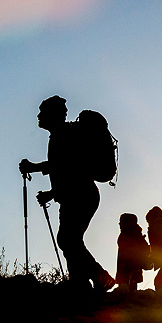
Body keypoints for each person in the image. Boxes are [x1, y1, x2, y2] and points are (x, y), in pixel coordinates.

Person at [19, 95, 115, 292]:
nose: (38, 115)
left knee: (67, 239)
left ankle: (99, 277)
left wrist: (33, 167)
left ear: (52, 114)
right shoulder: (61, 135)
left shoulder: (63, 134)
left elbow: (64, 166)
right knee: (69, 240)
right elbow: (67, 172)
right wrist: (51, 193)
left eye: (42, 111)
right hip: (77, 194)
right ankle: (80, 283)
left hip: (81, 195)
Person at [116, 213, 151, 292]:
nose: (119, 224)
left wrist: (127, 264)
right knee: (132, 291)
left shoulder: (127, 233)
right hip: (135, 268)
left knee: (125, 291)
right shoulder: (137, 234)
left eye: (121, 221)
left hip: (126, 268)